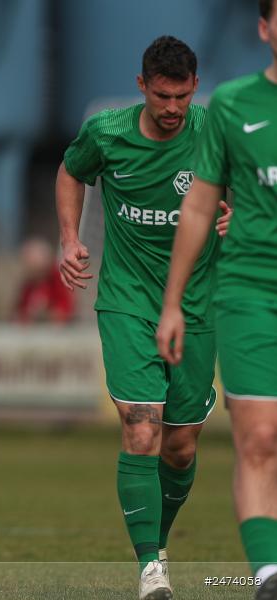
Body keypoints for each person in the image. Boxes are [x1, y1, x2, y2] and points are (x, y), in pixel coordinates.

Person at [56, 36, 231, 600]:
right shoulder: (107, 134)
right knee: (140, 427)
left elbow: (253, 192)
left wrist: (240, 219)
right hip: (127, 300)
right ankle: (150, 567)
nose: (172, 108)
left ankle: (157, 540)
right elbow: (69, 172)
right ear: (142, 87)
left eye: (181, 96)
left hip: (197, 304)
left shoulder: (214, 131)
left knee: (180, 446)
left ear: (194, 88)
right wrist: (68, 238)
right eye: (162, 96)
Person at [156, 3, 277, 598]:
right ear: (264, 27)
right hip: (249, 291)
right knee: (259, 438)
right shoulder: (231, 105)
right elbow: (201, 206)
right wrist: (174, 302)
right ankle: (267, 575)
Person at [14, 237, 75, 324]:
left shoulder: (58, 279)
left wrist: (45, 314)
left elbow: (65, 312)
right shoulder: (29, 284)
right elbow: (19, 311)